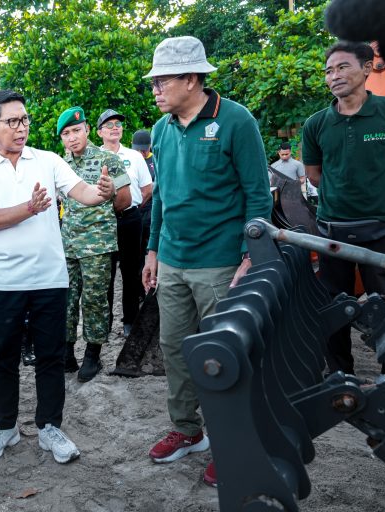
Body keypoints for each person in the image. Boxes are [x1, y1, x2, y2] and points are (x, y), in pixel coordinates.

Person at [141, 36, 272, 487]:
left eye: (163, 81)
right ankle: (187, 429)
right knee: (175, 349)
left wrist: (250, 256)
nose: (155, 90)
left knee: (227, 354)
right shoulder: (161, 129)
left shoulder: (235, 120)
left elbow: (257, 194)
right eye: (154, 82)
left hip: (220, 262)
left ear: (192, 78)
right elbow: (162, 196)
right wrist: (153, 250)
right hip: (172, 259)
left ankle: (234, 440)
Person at [0, 89, 116, 464]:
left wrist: (104, 192)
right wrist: (30, 208)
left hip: (51, 279)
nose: (21, 128)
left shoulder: (48, 161)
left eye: (25, 119)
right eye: (12, 121)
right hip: (4, 282)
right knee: (3, 358)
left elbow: (82, 193)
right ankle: (5, 427)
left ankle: (50, 427)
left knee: (50, 357)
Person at [302, 41, 385, 378]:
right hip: (333, 233)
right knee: (334, 307)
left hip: (384, 230)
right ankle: (341, 375)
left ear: (367, 68)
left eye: (343, 67)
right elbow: (314, 175)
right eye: (329, 71)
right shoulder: (316, 124)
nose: (334, 76)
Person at [57, 107, 131, 382]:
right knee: (66, 299)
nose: (72, 137)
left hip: (97, 244)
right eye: (66, 133)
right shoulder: (60, 165)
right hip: (68, 245)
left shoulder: (109, 160)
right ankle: (67, 353)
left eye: (76, 130)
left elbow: (125, 201)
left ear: (87, 130)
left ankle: (92, 355)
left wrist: (110, 193)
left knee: (94, 299)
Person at [97, 109, 153, 337]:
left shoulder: (135, 156)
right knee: (105, 274)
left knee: (131, 272)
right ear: (99, 132)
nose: (115, 128)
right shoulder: (93, 157)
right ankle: (105, 323)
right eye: (109, 125)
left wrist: (129, 208)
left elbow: (146, 189)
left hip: (130, 219)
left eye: (118, 124)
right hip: (103, 221)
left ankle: (130, 320)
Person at [132, 129, 156, 256]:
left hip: (150, 208)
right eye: (138, 150)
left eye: (144, 150)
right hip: (134, 208)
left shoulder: (155, 160)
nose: (141, 153)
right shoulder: (130, 158)